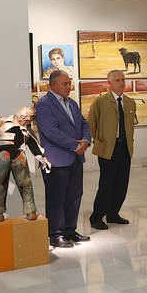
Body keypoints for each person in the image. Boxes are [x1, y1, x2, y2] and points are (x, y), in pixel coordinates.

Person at [35, 71, 91, 247]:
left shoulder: (72, 103)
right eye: (65, 84)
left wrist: (86, 141)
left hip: (75, 158)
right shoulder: (44, 104)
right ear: (53, 85)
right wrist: (76, 145)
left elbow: (84, 123)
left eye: (69, 83)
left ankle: (69, 230)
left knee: (74, 196)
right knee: (56, 198)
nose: (69, 87)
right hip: (56, 159)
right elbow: (51, 131)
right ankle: (55, 234)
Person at [0, 107, 52, 222]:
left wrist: (44, 160)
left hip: (16, 154)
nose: (28, 122)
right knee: (5, 184)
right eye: (28, 119)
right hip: (5, 155)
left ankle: (28, 212)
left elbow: (34, 145)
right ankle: (1, 213)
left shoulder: (25, 128)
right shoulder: (5, 120)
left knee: (22, 183)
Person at [88, 70, 135, 230]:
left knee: (122, 183)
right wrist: (99, 141)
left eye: (123, 80)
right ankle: (96, 216)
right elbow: (91, 123)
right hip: (108, 148)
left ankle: (113, 214)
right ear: (109, 83)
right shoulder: (101, 101)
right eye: (117, 80)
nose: (121, 83)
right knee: (107, 183)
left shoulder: (129, 102)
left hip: (124, 148)